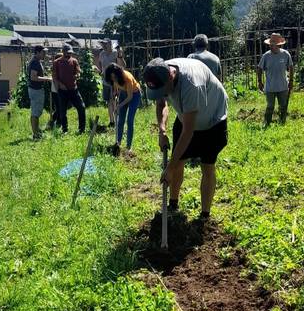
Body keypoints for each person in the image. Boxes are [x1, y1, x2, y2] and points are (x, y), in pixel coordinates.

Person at [143, 57, 228, 218]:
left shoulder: (191, 84)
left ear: (171, 76)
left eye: (163, 90)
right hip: (186, 116)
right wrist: (162, 130)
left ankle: (205, 215)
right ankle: (173, 205)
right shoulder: (159, 72)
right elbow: (161, 104)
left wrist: (169, 168)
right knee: (179, 161)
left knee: (207, 165)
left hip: (212, 120)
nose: (162, 94)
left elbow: (188, 131)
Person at [257, 33, 294, 126]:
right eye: (270, 44)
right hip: (270, 87)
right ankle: (267, 122)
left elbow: (291, 67)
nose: (270, 46)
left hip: (283, 86)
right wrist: (260, 81)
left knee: (283, 106)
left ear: (278, 45)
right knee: (270, 106)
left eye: (272, 44)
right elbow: (259, 68)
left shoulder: (285, 54)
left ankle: (282, 122)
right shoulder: (266, 56)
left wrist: (291, 81)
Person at [104, 63, 141, 156]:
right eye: (111, 78)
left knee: (129, 121)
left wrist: (119, 106)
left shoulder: (127, 78)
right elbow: (115, 87)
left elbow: (129, 97)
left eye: (114, 77)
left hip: (134, 95)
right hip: (123, 94)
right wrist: (115, 94)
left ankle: (128, 147)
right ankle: (118, 143)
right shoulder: (113, 78)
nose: (113, 79)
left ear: (118, 75)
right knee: (120, 120)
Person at [54, 45, 86, 134]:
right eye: (68, 53)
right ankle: (65, 129)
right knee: (62, 111)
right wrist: (60, 85)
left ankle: (82, 129)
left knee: (81, 107)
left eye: (70, 53)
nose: (69, 54)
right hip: (62, 91)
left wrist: (78, 75)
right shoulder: (57, 62)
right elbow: (55, 77)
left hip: (73, 89)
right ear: (63, 52)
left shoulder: (74, 61)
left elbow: (78, 71)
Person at [97, 39, 126, 128]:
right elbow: (100, 64)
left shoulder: (115, 53)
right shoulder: (102, 54)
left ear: (110, 44)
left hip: (115, 82)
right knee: (109, 101)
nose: (104, 46)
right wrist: (100, 71)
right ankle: (112, 121)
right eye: (103, 44)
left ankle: (118, 121)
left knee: (115, 100)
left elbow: (123, 65)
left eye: (106, 44)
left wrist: (120, 56)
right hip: (106, 81)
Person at [27, 45, 53, 139]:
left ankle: (36, 132)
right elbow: (33, 77)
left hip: (35, 89)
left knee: (36, 111)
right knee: (35, 112)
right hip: (35, 90)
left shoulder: (37, 61)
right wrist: (47, 79)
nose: (44, 54)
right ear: (37, 52)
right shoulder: (35, 63)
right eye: (43, 52)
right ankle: (35, 134)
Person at [47, 52, 64, 129]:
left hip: (59, 90)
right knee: (59, 107)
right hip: (56, 90)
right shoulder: (56, 67)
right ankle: (55, 122)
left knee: (60, 107)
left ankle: (55, 122)